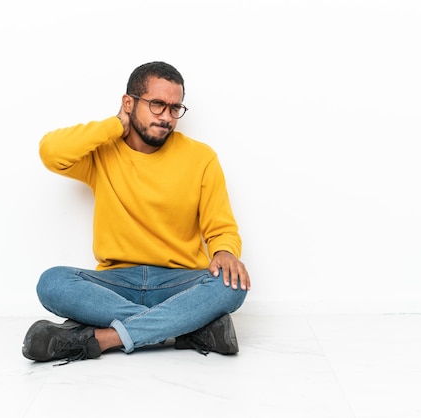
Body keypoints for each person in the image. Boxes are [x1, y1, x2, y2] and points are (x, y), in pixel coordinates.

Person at [22, 61, 250, 364]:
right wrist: (116, 125)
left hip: (178, 283)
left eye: (174, 108)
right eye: (157, 105)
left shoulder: (201, 158)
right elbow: (51, 152)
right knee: (52, 283)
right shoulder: (102, 152)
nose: (167, 117)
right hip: (116, 284)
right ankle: (188, 327)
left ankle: (104, 339)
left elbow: (221, 228)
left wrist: (224, 251)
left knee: (230, 285)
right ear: (129, 103)